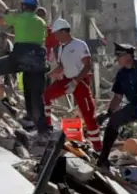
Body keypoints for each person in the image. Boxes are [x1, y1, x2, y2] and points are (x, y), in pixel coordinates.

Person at [0, 0, 49, 136]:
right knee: (35, 96)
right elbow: (28, 35)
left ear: (23, 6)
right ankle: (42, 131)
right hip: (38, 61)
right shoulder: (41, 22)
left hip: (20, 57)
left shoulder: (18, 17)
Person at [43, 18, 102, 151]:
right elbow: (61, 66)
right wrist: (48, 75)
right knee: (46, 96)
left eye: (57, 33)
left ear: (64, 32)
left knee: (88, 114)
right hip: (67, 80)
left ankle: (98, 147)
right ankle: (47, 127)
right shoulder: (61, 48)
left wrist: (76, 81)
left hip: (80, 82)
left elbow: (87, 66)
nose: (56, 37)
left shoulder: (79, 45)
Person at [97, 43, 137, 167]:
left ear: (129, 55)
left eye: (119, 55)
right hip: (134, 106)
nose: (117, 58)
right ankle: (103, 158)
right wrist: (108, 113)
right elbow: (118, 97)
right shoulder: (121, 73)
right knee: (114, 121)